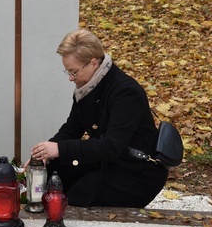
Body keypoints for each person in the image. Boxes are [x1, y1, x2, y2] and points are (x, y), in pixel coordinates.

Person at [29, 29, 168, 208]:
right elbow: (72, 128)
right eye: (68, 72)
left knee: (76, 199)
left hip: (136, 172)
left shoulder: (126, 92)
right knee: (53, 172)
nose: (70, 78)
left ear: (93, 63)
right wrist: (44, 154)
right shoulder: (87, 86)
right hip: (109, 163)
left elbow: (111, 146)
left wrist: (59, 149)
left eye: (74, 72)